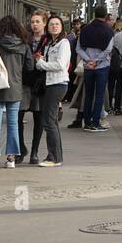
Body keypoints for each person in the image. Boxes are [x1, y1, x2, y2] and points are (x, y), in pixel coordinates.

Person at [0, 14, 32, 169]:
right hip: (15, 88)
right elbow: (30, 67)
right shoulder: (24, 45)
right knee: (13, 124)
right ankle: (11, 158)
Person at [33, 14, 71, 167]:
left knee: (48, 121)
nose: (54, 26)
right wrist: (40, 62)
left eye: (57, 24)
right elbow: (40, 62)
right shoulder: (49, 44)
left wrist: (41, 63)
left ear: (61, 27)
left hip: (58, 83)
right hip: (50, 84)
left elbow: (60, 65)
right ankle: (56, 155)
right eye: (52, 24)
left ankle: (53, 157)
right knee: (51, 121)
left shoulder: (64, 43)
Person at [76, 6, 114, 133]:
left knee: (88, 94)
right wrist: (97, 60)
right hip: (102, 66)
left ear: (94, 14)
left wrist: (88, 60)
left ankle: (86, 122)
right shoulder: (108, 31)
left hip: (88, 67)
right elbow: (108, 49)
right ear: (105, 16)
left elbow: (79, 48)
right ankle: (95, 122)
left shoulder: (85, 29)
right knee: (99, 95)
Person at [17, 11, 48, 164]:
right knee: (18, 117)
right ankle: (21, 148)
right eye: (32, 22)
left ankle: (34, 152)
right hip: (25, 81)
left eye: (37, 22)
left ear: (44, 23)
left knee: (38, 117)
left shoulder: (48, 40)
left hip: (40, 82)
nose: (34, 24)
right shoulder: (25, 39)